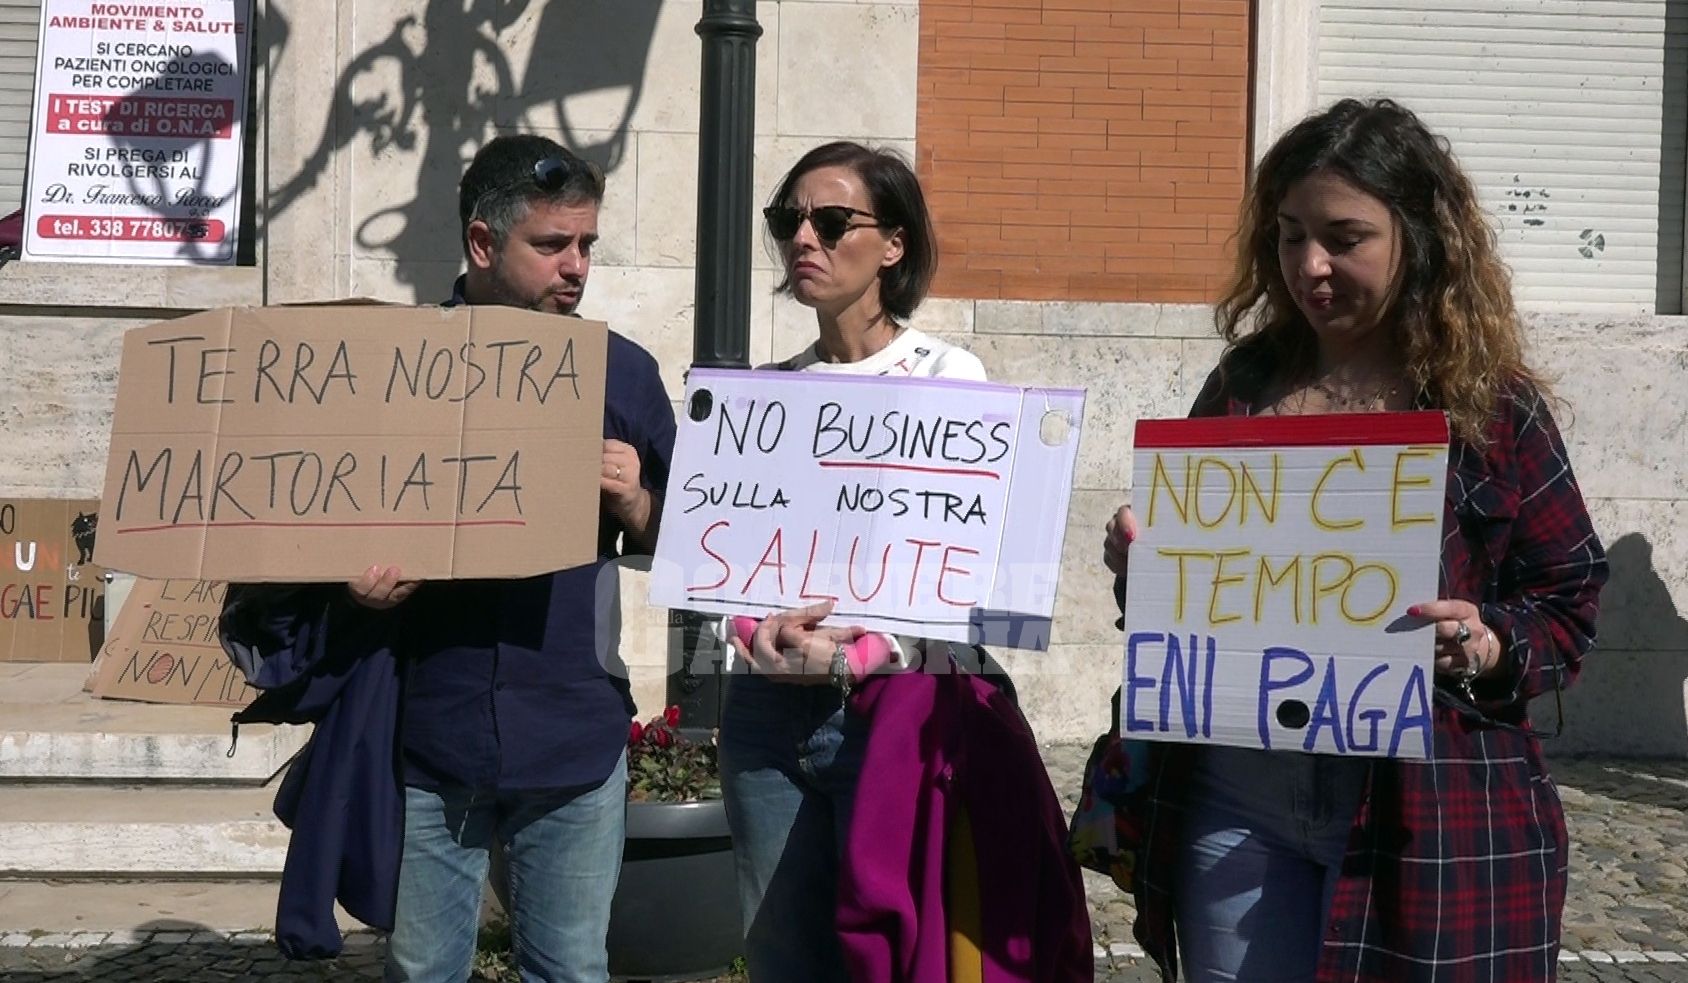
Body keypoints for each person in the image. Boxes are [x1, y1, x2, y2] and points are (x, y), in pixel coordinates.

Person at [1100, 98, 1609, 982]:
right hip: (1235, 795)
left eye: (1345, 236)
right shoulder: (1243, 385)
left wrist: (1485, 641)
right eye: (1290, 235)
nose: (1310, 265)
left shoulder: (1493, 406)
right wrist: (1143, 570)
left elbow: (1567, 605)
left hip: (1426, 807)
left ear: (1419, 238)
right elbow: (1188, 604)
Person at [221, 134, 676, 983]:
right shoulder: (386, 369)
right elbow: (310, 525)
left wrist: (638, 503)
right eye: (552, 245)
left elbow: (698, 545)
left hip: (573, 737)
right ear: (481, 243)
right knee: (422, 968)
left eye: (587, 245)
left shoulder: (624, 374)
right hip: (431, 736)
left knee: (570, 968)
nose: (576, 266)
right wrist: (359, 593)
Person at [717, 141, 1092, 982]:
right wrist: (754, 631)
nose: (803, 238)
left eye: (831, 220)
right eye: (789, 220)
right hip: (764, 719)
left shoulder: (950, 377)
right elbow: (723, 563)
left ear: (893, 244)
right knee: (781, 953)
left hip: (896, 721)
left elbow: (975, 567)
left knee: (888, 952)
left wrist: (864, 649)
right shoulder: (764, 394)